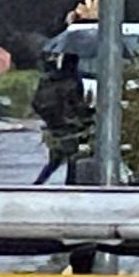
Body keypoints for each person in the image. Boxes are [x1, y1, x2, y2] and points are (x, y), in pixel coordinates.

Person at [30, 53, 92, 185]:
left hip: (52, 122)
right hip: (69, 123)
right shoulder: (73, 81)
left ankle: (39, 182)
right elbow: (77, 104)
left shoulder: (48, 79)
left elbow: (35, 102)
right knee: (72, 156)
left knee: (56, 157)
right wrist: (88, 114)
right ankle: (70, 183)